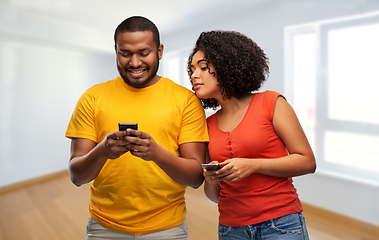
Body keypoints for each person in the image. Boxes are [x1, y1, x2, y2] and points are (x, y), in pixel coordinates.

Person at [65, 16, 208, 240]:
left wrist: (156, 153)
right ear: (115, 50)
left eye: (144, 52)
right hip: (104, 228)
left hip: (167, 229)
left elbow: (196, 177)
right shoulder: (92, 98)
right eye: (125, 53)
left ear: (159, 51)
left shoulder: (186, 101)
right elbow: (77, 176)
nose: (134, 63)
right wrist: (103, 151)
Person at [187, 30, 316, 240]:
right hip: (231, 229)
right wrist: (211, 179)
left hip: (281, 224)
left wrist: (253, 165)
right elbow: (214, 196)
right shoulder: (207, 125)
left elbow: (307, 162)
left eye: (203, 67)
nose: (194, 75)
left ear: (226, 65)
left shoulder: (271, 103)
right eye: (192, 69)